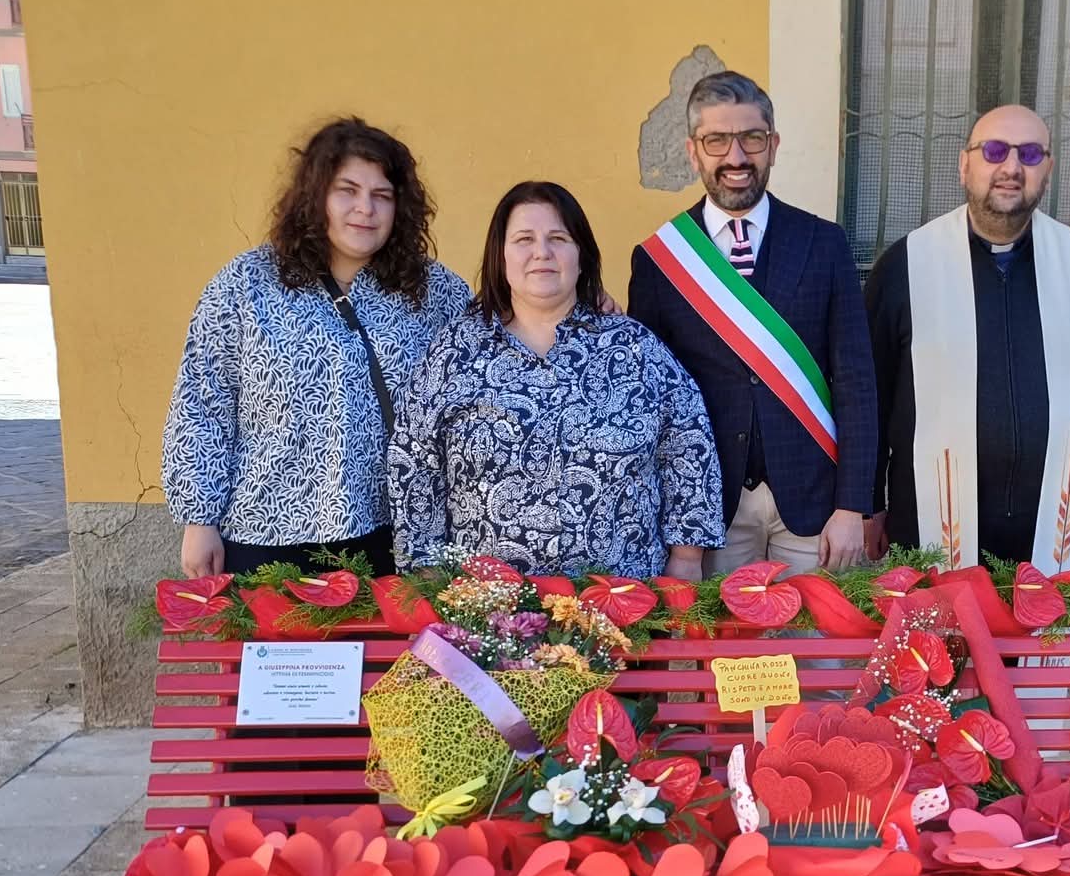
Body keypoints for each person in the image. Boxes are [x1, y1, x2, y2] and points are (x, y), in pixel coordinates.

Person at [163, 116, 470, 577]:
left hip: (393, 534)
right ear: (316, 196)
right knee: (273, 651)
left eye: (381, 195)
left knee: (386, 654)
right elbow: (204, 401)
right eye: (347, 190)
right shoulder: (247, 284)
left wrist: (589, 309)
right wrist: (199, 517)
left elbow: (497, 350)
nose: (365, 208)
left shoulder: (434, 292)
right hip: (267, 531)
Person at [390, 180, 724, 579]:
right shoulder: (455, 352)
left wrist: (686, 559)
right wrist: (427, 576)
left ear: (581, 255)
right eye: (524, 239)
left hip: (623, 607)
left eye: (558, 238)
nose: (541, 253)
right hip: (486, 613)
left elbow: (689, 444)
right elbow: (413, 459)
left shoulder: (633, 348)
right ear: (501, 255)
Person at [627, 71, 877, 578]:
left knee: (820, 656)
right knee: (721, 654)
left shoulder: (823, 243)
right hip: (711, 509)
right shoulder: (660, 259)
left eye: (752, 138)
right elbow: (647, 397)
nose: (736, 157)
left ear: (774, 145)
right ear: (693, 151)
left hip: (816, 503)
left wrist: (855, 506)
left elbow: (856, 382)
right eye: (717, 140)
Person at [865, 104, 1070, 570]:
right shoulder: (907, 264)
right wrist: (868, 501)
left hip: (1050, 517)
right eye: (994, 151)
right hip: (928, 515)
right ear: (965, 165)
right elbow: (872, 397)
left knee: (1038, 640)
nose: (1010, 167)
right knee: (941, 643)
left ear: (1048, 168)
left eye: (1029, 154)